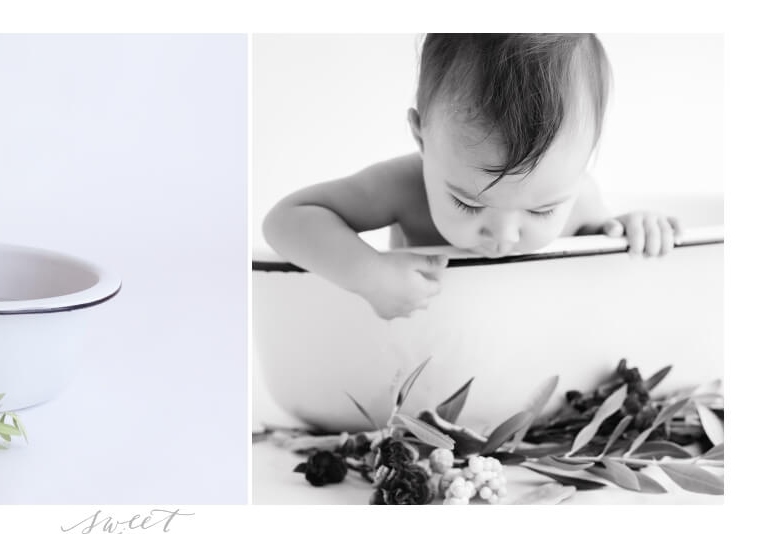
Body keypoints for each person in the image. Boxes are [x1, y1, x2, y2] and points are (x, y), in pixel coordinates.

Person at [263, 34, 680, 320]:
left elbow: (599, 250)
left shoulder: (579, 196)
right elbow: (287, 218)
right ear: (422, 137)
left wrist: (632, 228)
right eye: (468, 202)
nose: (504, 236)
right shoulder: (403, 187)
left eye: (542, 210)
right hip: (420, 363)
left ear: (584, 162)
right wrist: (368, 274)